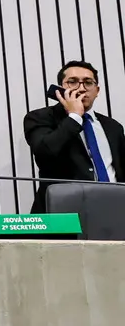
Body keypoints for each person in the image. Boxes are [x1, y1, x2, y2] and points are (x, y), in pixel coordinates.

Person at [23, 60, 124, 212]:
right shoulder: (39, 118)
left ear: (97, 91)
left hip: (114, 207)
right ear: (60, 89)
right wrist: (75, 116)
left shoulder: (113, 127)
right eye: (73, 82)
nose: (82, 88)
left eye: (88, 83)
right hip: (64, 210)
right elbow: (45, 151)